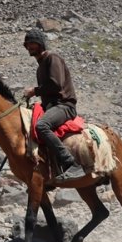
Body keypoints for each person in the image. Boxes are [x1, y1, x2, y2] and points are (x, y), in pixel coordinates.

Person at [22, 29, 86, 181]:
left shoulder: (53, 58)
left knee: (41, 125)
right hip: (52, 106)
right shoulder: (40, 66)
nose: (30, 47)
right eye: (27, 44)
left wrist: (34, 91)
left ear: (41, 44)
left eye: (33, 43)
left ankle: (71, 163)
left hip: (64, 105)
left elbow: (56, 85)